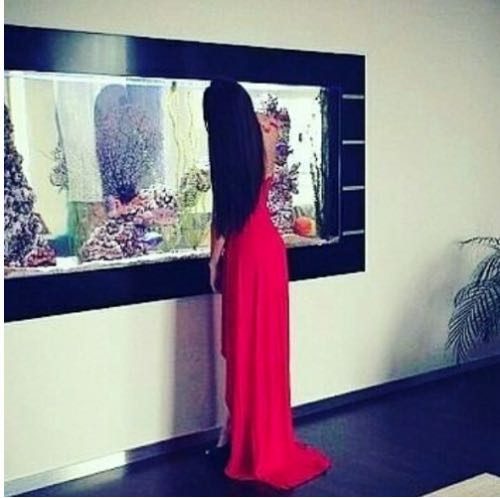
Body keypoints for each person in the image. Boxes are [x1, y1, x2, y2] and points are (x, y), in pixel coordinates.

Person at [203, 79, 332, 490]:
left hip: (244, 255)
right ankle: (252, 433)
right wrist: (264, 126)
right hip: (268, 252)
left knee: (243, 347)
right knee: (266, 348)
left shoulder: (226, 153)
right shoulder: (265, 138)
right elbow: (266, 176)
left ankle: (240, 432)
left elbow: (224, 217)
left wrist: (214, 262)